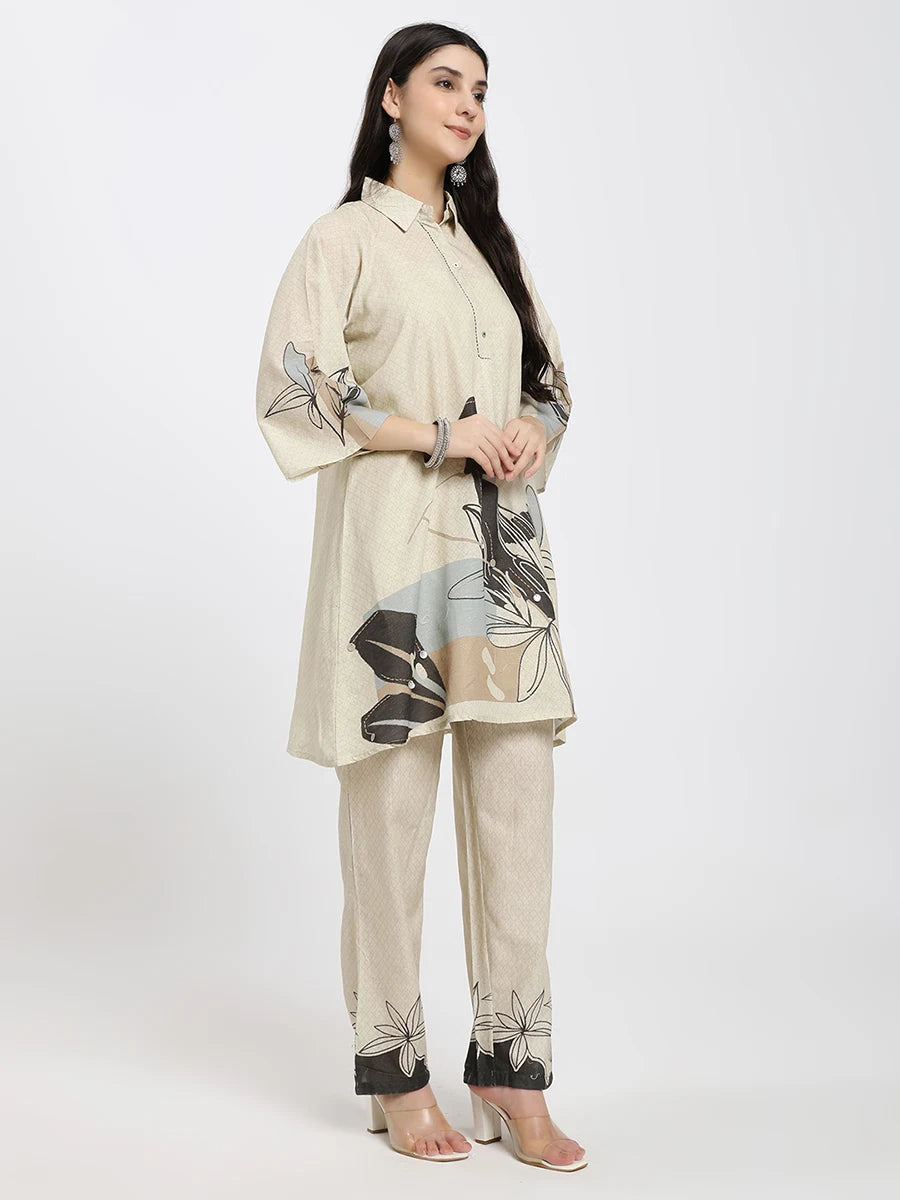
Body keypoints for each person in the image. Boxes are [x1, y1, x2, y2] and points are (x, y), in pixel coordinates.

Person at [255, 23, 587, 1172]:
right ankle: (397, 1073)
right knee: (390, 822)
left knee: (518, 810)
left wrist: (527, 430)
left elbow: (550, 382)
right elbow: (296, 389)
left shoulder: (486, 245)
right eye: (446, 82)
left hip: (501, 573)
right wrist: (439, 433)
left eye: (481, 89)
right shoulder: (344, 238)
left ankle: (510, 1065)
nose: (468, 104)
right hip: (391, 569)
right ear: (391, 97)